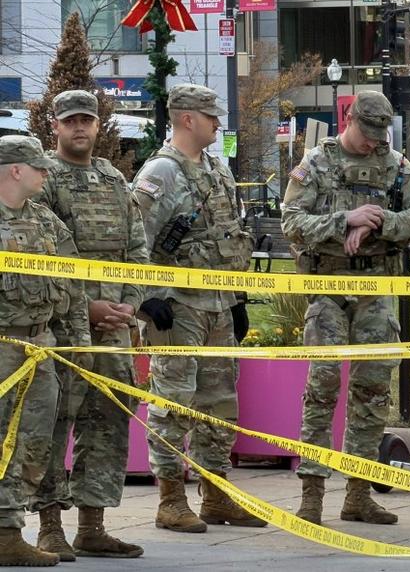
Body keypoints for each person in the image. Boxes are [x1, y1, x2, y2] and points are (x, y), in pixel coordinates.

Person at [283, 90, 410, 525]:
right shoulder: (315, 163)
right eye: (366, 133)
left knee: (372, 390)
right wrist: (344, 221)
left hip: (374, 287)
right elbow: (292, 222)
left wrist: (379, 222)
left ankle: (359, 492)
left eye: (379, 135)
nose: (372, 142)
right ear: (348, 120)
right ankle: (312, 493)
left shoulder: (394, 164)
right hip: (328, 286)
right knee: (323, 386)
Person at [131, 84, 262, 533]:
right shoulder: (161, 173)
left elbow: (229, 237)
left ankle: (217, 494)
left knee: (219, 401)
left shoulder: (217, 171)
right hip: (178, 308)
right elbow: (136, 239)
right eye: (211, 116)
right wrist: (146, 298)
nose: (217, 124)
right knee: (173, 401)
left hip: (220, 305)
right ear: (187, 119)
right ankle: (170, 498)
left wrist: (237, 298)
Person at [29, 91, 147, 560]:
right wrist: (87, 307)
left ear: (99, 126)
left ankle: (93, 524)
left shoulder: (112, 178)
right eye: (70, 121)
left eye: (88, 120)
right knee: (53, 422)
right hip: (62, 324)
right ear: (54, 127)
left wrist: (128, 305)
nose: (80, 128)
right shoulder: (43, 177)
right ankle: (49, 525)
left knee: (109, 420)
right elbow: (42, 255)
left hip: (113, 324)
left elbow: (137, 248)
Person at [0, 135, 89, 567]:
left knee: (35, 442)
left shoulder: (45, 222)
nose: (46, 173)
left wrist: (79, 345)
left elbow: (72, 285)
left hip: (42, 345)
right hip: (2, 345)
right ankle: (4, 531)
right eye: (38, 167)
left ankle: (10, 527)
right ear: (16, 169)